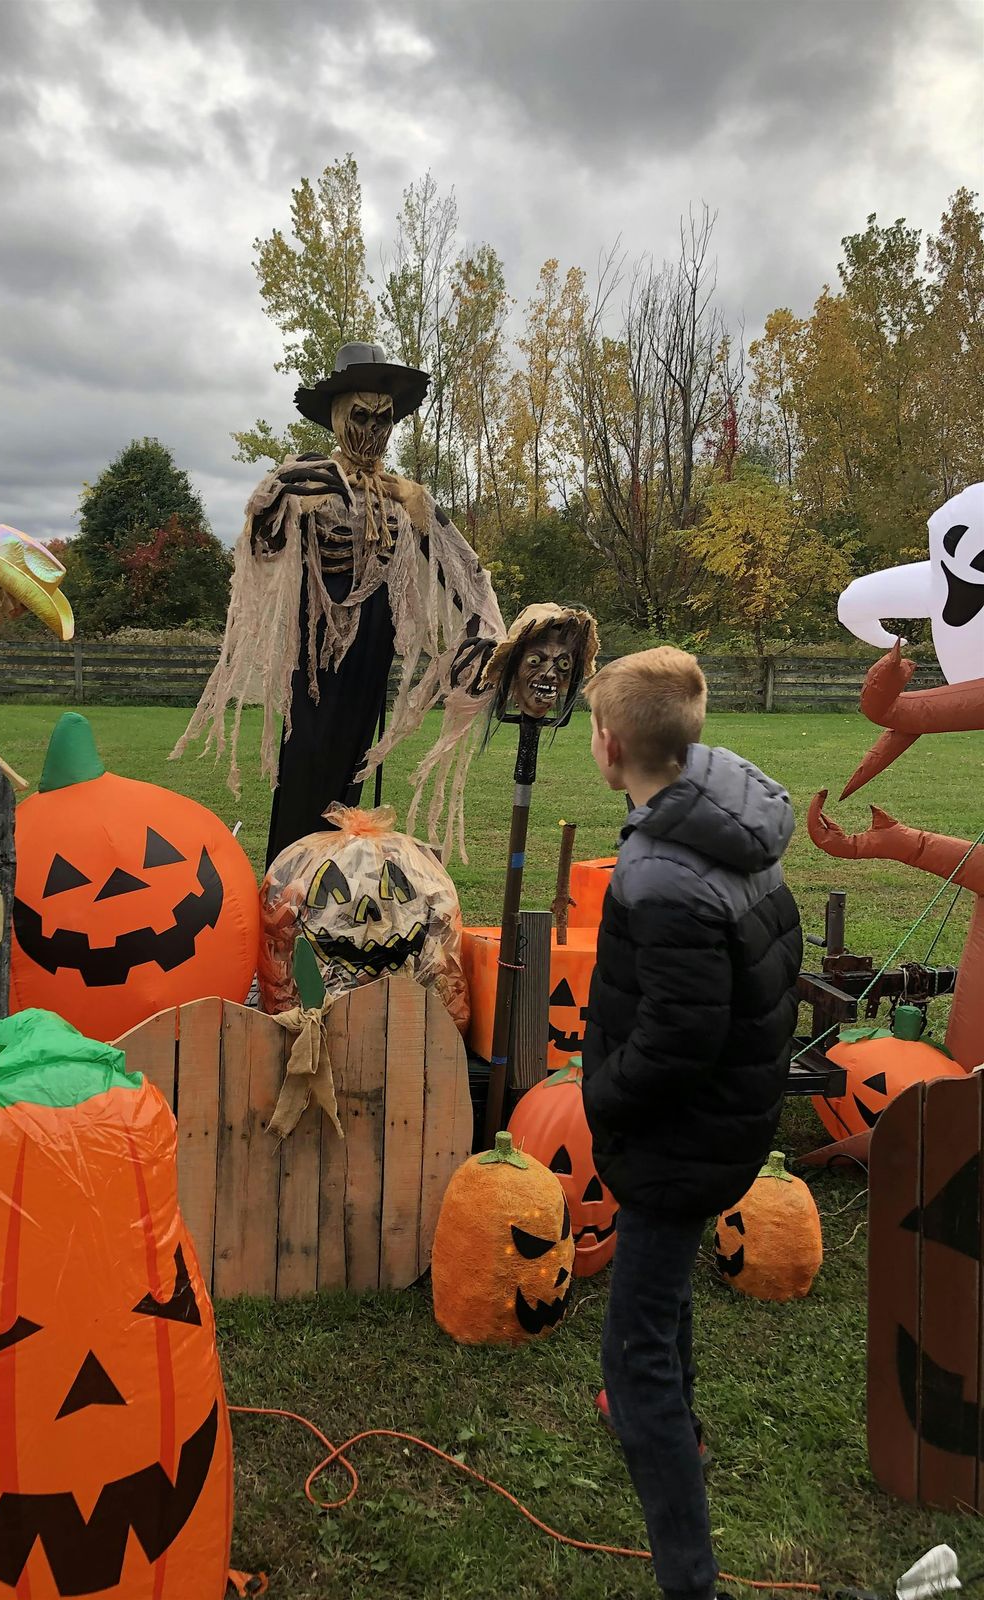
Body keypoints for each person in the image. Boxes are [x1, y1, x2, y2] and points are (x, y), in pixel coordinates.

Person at [580, 647, 802, 1600]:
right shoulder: (725, 820)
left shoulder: (665, 872)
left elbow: (678, 1037)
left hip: (677, 1137)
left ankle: (689, 1579)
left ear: (613, 743)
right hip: (720, 1127)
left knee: (633, 1358)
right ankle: (684, 1427)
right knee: (660, 1295)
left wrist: (600, 1094)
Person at [172, 343, 503, 867]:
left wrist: (486, 632)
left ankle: (338, 877)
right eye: (361, 416)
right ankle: (290, 873)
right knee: (307, 754)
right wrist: (276, 499)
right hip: (319, 643)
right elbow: (263, 547)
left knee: (354, 760)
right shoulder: (310, 481)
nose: (373, 431)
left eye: (384, 419)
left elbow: (459, 566)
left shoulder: (404, 496)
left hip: (375, 640)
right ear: (337, 415)